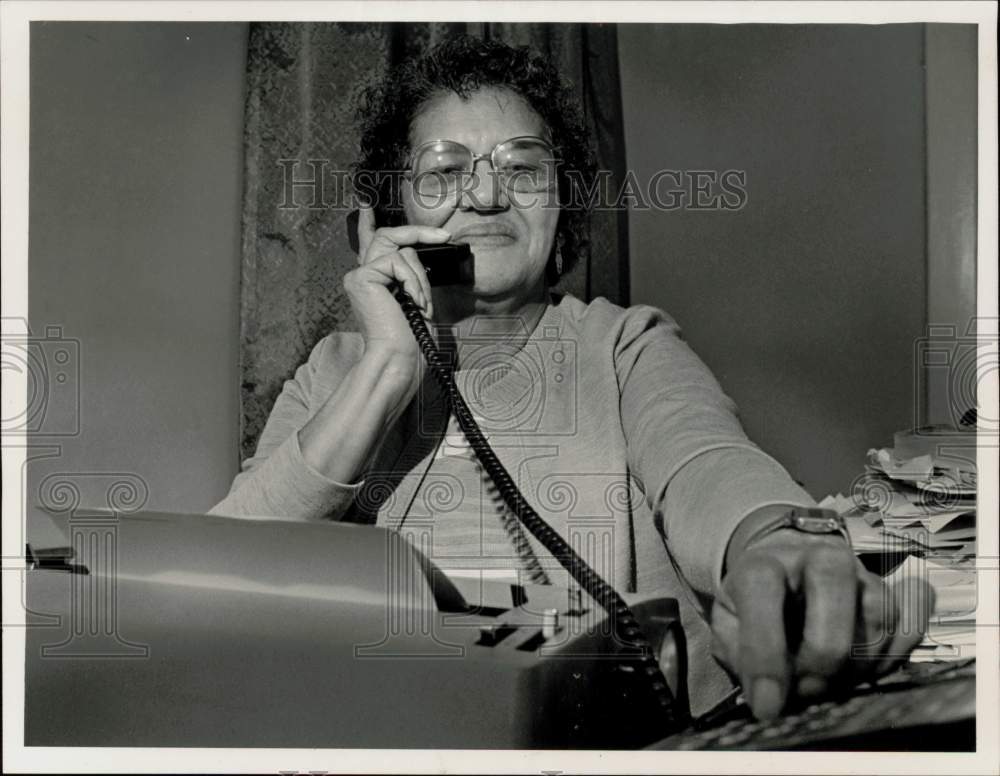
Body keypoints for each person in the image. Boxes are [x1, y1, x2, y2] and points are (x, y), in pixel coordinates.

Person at [211, 35, 928, 720]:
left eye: (522, 169)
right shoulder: (336, 370)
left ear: (561, 204)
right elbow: (221, 576)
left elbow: (708, 460)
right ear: (389, 212)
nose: (488, 197)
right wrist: (389, 365)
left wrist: (777, 544)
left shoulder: (625, 345)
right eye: (444, 170)